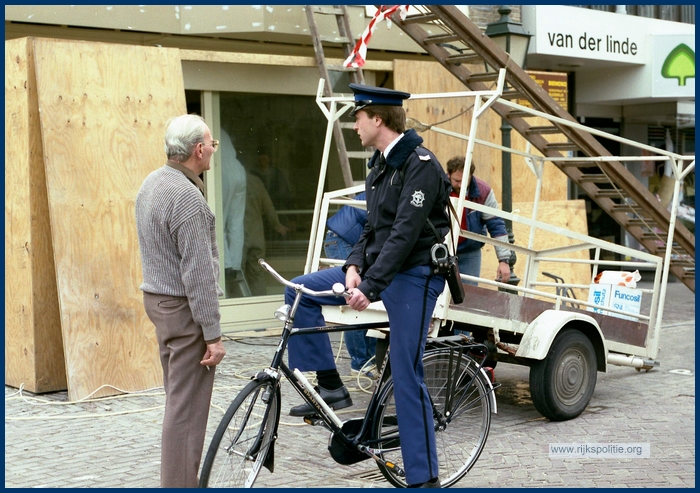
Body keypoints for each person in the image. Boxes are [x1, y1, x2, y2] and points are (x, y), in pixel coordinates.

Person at [285, 84, 451, 488]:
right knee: (299, 291)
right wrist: (354, 265)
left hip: (415, 275)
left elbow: (405, 236)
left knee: (405, 371)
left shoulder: (420, 164)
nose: (354, 125)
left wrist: (370, 286)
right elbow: (371, 226)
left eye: (357, 117)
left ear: (377, 118)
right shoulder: (378, 163)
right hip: (378, 271)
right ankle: (331, 387)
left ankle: (423, 477)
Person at [135, 114, 227, 488]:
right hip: (183, 310)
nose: (213, 150)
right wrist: (214, 334)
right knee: (187, 410)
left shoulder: (152, 183)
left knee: (178, 401)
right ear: (198, 150)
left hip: (159, 303)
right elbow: (199, 276)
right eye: (211, 143)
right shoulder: (187, 198)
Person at [323, 192, 377, 377]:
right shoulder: (388, 187)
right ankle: (360, 362)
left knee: (362, 297)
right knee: (354, 298)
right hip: (342, 239)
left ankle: (367, 360)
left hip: (340, 237)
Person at [446, 156, 512, 286]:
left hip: (469, 251)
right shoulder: (437, 186)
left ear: (471, 175)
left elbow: (496, 225)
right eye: (457, 180)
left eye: (465, 180)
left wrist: (504, 260)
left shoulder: (483, 192)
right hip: (443, 249)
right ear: (448, 175)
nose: (461, 184)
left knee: (469, 295)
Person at [243, 171, 288, 296]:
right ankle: (258, 304)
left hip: (238, 238)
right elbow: (268, 206)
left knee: (237, 275)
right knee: (257, 274)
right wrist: (277, 225)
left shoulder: (228, 179)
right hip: (255, 235)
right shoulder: (255, 182)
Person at [220, 128, 248, 298]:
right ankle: (235, 264)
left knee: (219, 219)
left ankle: (227, 265)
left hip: (222, 169)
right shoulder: (222, 130)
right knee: (236, 221)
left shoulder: (206, 127)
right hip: (238, 169)